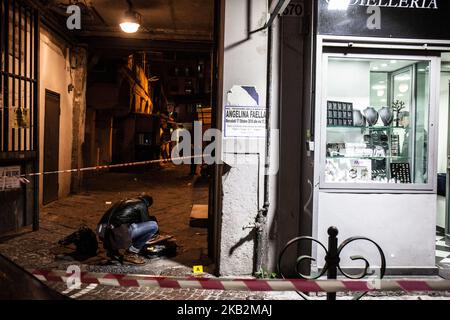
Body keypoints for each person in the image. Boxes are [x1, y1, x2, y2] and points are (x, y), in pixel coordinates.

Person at [97, 195, 158, 265]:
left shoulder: (123, 201)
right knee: (153, 225)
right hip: (116, 236)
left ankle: (112, 251)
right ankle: (131, 253)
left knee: (126, 225)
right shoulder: (141, 204)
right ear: (147, 203)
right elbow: (146, 222)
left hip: (103, 234)